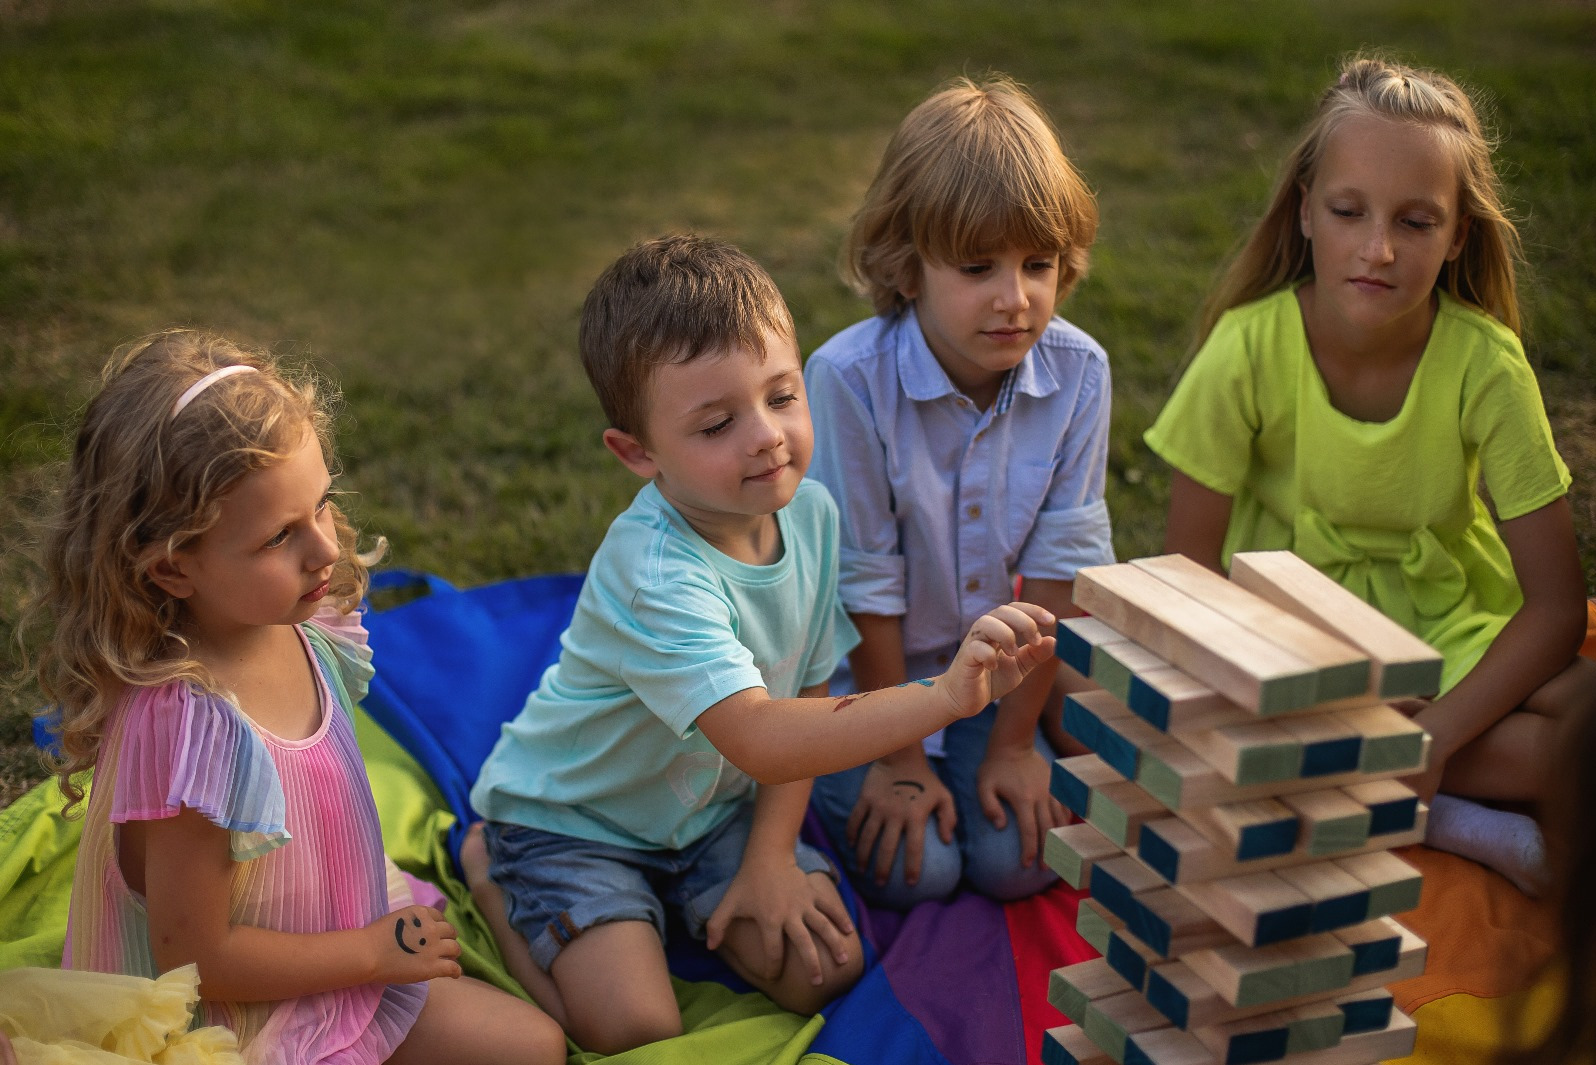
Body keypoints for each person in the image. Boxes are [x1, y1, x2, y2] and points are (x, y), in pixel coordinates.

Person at [466, 235, 1057, 1055]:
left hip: (712, 812)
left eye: (782, 396)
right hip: (575, 822)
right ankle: (494, 873)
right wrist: (945, 699)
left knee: (827, 966)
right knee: (633, 1026)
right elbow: (757, 733)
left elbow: (808, 691)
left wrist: (771, 857)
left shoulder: (809, 514)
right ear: (637, 453)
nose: (766, 437)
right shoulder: (656, 572)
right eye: (716, 423)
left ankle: (683, 898)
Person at [37, 331, 566, 1065]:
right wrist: (371, 954)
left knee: (534, 1046)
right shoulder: (193, 728)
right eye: (280, 535)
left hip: (340, 951)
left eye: (320, 505)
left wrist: (370, 944)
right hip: (235, 1021)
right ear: (171, 570)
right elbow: (195, 960)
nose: (323, 549)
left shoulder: (305, 621)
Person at [1143, 55, 1596, 896]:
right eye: (1350, 211)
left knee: (1584, 730)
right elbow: (1187, 583)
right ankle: (1445, 818)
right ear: (1306, 209)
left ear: (1460, 233)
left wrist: (1437, 734)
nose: (1378, 249)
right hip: (1288, 643)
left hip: (1443, 628)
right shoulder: (1246, 349)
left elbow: (1558, 605)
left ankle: (1394, 783)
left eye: (1417, 222)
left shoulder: (1487, 366)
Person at [803, 74, 1113, 909]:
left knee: (1016, 862)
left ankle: (1027, 735)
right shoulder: (847, 378)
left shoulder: (1080, 372)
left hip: (990, 679)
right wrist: (899, 758)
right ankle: (795, 804)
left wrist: (1015, 741)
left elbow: (1060, 571)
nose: (1016, 299)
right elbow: (862, 579)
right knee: (920, 873)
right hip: (863, 688)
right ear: (908, 266)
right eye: (978, 267)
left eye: (1038, 264)